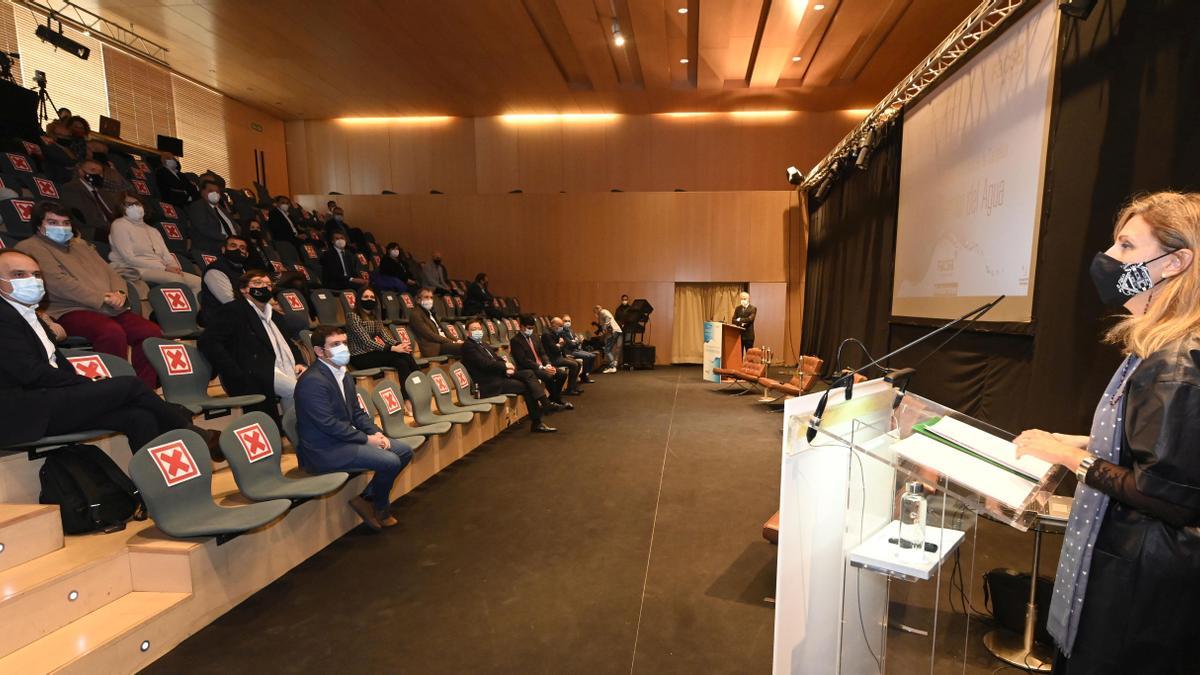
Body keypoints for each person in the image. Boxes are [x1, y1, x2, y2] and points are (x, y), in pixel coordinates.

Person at [1013, 192, 1200, 674]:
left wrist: (1071, 457)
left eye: (1126, 247)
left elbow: (1166, 494)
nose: (1109, 261)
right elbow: (1156, 449)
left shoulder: (1174, 360)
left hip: (1140, 592)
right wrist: (1082, 442)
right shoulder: (1162, 345)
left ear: (1176, 262)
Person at [0, 249, 219, 454]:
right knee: (130, 384)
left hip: (50, 401)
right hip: (23, 411)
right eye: (19, 274)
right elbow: (29, 372)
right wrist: (86, 384)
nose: (31, 280)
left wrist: (84, 382)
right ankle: (193, 430)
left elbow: (55, 362)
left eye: (36, 274)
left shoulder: (29, 314)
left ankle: (155, 490)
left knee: (138, 417)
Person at [16, 202, 163, 388]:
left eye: (65, 223)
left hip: (107, 306)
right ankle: (112, 390)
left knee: (150, 332)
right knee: (110, 333)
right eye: (53, 222)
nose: (61, 228)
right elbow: (58, 283)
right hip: (69, 310)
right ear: (39, 225)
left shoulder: (80, 244)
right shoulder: (30, 247)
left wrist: (119, 293)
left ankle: (144, 388)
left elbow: (111, 273)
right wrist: (103, 298)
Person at [295, 326, 414, 531]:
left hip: (343, 441)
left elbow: (357, 413)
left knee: (403, 451)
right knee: (390, 460)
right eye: (335, 344)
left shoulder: (344, 375)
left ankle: (367, 498)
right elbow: (328, 424)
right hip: (324, 449)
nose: (343, 348)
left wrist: (376, 432)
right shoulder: (312, 382)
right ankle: (380, 507)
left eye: (344, 342)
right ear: (319, 351)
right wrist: (367, 440)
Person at [198, 270, 306, 421]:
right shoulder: (233, 310)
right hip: (252, 371)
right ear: (244, 289)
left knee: (313, 385)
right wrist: (234, 371)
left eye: (268, 284)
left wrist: (300, 362)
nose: (264, 287)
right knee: (296, 390)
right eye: (257, 283)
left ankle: (297, 431)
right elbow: (208, 341)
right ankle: (299, 434)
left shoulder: (275, 316)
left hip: (282, 366)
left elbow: (289, 344)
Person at [460, 319, 559, 433]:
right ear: (467, 332)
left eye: (479, 329)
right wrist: (504, 367)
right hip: (489, 383)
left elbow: (497, 359)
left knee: (528, 373)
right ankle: (538, 419)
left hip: (499, 375)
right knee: (526, 386)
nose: (477, 331)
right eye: (473, 329)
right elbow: (485, 364)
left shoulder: (484, 344)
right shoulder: (468, 346)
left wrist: (507, 366)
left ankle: (545, 404)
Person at [107, 194, 202, 295]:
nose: (134, 207)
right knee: (177, 280)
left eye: (137, 203)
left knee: (199, 283)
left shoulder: (153, 230)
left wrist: (174, 267)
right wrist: (164, 268)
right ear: (120, 208)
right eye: (128, 204)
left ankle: (193, 310)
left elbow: (166, 255)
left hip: (160, 268)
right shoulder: (119, 225)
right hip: (134, 268)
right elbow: (129, 258)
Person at [344, 286, 419, 392]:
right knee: (402, 355)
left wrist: (399, 344)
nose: (369, 299)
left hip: (373, 354)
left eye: (372, 297)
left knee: (402, 361)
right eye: (366, 297)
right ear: (359, 299)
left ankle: (409, 394)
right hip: (360, 356)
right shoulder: (352, 316)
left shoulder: (375, 316)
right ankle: (419, 384)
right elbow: (366, 341)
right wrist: (393, 348)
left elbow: (385, 336)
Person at [509, 315, 571, 407]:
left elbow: (543, 353)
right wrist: (542, 367)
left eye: (532, 328)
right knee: (548, 376)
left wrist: (548, 364)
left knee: (562, 374)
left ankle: (553, 398)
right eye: (529, 328)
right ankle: (556, 400)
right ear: (521, 327)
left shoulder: (535, 337)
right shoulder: (515, 340)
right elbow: (523, 360)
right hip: (530, 368)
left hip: (542, 366)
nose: (531, 330)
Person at [59, 159, 121, 242]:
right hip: (91, 230)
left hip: (111, 228)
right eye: (93, 170)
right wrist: (116, 228)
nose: (97, 174)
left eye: (100, 172)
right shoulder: (71, 188)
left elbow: (116, 211)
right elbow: (87, 218)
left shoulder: (103, 191)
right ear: (81, 171)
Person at [199, 235, 249, 327]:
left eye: (242, 248)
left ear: (246, 253)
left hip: (240, 314)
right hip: (218, 319)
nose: (238, 250)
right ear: (223, 249)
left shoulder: (243, 270)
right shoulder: (215, 270)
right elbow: (230, 301)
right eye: (233, 246)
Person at [186, 180, 239, 255]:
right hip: (212, 244)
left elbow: (234, 225)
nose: (215, 194)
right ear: (202, 192)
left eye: (217, 192)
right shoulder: (198, 206)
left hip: (233, 242)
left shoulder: (222, 209)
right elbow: (203, 228)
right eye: (211, 191)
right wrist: (227, 239)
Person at [408, 286, 462, 357]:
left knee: (471, 345)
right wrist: (451, 341)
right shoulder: (415, 314)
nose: (429, 300)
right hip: (435, 346)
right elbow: (430, 335)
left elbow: (445, 330)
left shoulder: (431, 312)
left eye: (431, 297)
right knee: (466, 348)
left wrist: (457, 340)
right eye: (426, 297)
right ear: (418, 299)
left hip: (444, 342)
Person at [542, 317, 585, 394]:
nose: (562, 328)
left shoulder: (557, 332)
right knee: (574, 365)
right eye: (560, 326)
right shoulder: (547, 334)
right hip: (552, 359)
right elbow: (555, 349)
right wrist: (560, 344)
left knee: (578, 363)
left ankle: (573, 386)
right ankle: (570, 389)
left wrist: (560, 346)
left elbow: (564, 344)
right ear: (554, 325)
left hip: (559, 356)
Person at [560, 314, 597, 383]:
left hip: (576, 349)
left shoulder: (571, 330)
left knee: (592, 356)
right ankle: (584, 376)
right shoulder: (562, 332)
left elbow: (576, 341)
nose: (567, 322)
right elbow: (571, 343)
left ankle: (585, 373)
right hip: (569, 351)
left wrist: (577, 341)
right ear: (562, 322)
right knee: (587, 356)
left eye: (569, 321)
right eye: (565, 321)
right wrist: (577, 341)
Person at [593, 304, 622, 373]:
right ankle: (614, 363)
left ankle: (612, 367)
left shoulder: (603, 312)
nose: (595, 314)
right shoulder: (604, 312)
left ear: (597, 310)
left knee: (607, 350)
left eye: (595, 312)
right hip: (618, 331)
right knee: (611, 349)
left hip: (613, 332)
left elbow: (608, 318)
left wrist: (604, 329)